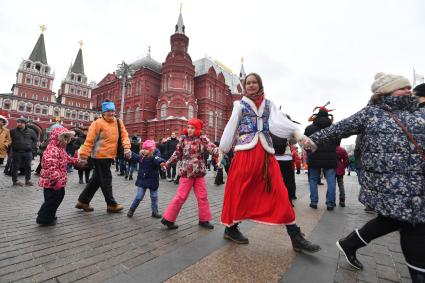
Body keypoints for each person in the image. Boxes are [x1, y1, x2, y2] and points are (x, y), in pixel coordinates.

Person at [310, 73, 425, 281]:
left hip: (418, 183)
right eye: (402, 87)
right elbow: (339, 129)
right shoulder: (372, 113)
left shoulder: (419, 113)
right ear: (386, 92)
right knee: (412, 225)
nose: (408, 90)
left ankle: (350, 243)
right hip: (391, 183)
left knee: (393, 220)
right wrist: (309, 141)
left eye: (409, 87)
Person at [219, 73, 321, 253]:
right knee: (239, 192)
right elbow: (231, 126)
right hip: (245, 155)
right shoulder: (239, 105)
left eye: (254, 82)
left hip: (266, 156)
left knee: (281, 193)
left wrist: (298, 135)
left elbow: (280, 122)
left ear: (260, 84)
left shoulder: (269, 104)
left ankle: (295, 235)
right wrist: (222, 149)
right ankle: (231, 228)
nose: (250, 85)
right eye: (248, 83)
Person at [161, 118, 218, 230]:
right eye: (189, 127)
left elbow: (213, 150)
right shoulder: (183, 140)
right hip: (186, 172)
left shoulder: (203, 139)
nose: (190, 130)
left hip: (199, 173)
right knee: (181, 196)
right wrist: (167, 164)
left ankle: (204, 219)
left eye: (192, 128)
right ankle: (168, 219)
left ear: (198, 129)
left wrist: (222, 151)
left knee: (202, 196)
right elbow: (176, 154)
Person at [75, 100, 131, 213]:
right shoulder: (97, 123)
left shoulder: (119, 122)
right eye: (108, 111)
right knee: (106, 179)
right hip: (99, 156)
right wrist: (84, 155)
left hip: (110, 156)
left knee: (96, 180)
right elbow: (89, 140)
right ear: (103, 113)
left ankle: (83, 201)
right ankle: (111, 204)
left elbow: (125, 136)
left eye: (112, 111)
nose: (110, 113)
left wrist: (127, 147)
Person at [36, 127, 87, 226]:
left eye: (68, 138)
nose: (67, 141)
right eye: (65, 138)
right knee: (52, 200)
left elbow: (66, 157)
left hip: (58, 179)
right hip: (52, 181)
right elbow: (49, 167)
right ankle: (44, 219)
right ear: (58, 138)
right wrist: (56, 180)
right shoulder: (52, 149)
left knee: (56, 198)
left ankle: (48, 214)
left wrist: (76, 161)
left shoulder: (60, 148)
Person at [304, 103, 338, 210]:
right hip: (330, 157)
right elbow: (337, 142)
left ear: (317, 115)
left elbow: (305, 143)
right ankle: (330, 203)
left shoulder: (309, 128)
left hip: (314, 157)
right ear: (328, 116)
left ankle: (314, 202)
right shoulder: (334, 128)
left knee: (313, 179)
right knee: (331, 180)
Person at [127, 140, 165, 218]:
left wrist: (162, 164)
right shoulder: (141, 157)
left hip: (153, 181)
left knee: (154, 197)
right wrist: (128, 151)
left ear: (151, 150)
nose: (144, 150)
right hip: (142, 181)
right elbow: (134, 156)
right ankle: (131, 210)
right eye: (144, 148)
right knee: (139, 196)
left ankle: (155, 212)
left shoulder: (154, 158)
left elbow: (159, 160)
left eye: (147, 149)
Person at [10, 118, 38, 186]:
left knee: (28, 166)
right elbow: (9, 139)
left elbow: (35, 140)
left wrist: (31, 147)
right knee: (15, 167)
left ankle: (28, 180)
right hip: (16, 152)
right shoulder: (12, 131)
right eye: (18, 122)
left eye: (21, 122)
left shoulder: (31, 131)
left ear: (25, 123)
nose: (19, 124)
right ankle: (15, 181)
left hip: (27, 152)